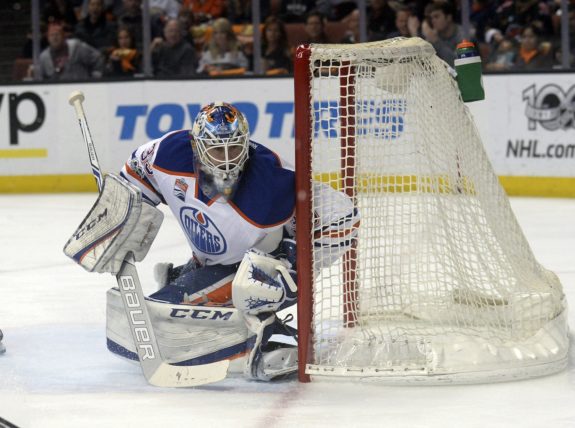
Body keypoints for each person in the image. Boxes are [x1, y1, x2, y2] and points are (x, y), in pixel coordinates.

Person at [101, 101, 358, 381]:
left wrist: (294, 270)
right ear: (196, 146)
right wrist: (120, 216)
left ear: (246, 145)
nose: (226, 159)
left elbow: (345, 215)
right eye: (215, 148)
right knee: (156, 315)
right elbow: (136, 175)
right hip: (211, 262)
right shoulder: (168, 153)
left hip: (257, 275)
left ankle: (256, 329)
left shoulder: (271, 180)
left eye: (234, 148)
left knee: (162, 314)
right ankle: (221, 319)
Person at [37, 23, 105, 81]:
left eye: (57, 34)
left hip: (81, 89)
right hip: (59, 92)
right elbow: (41, 78)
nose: (55, 38)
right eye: (52, 35)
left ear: (64, 36)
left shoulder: (77, 47)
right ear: (48, 38)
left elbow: (97, 57)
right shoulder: (44, 57)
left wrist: (95, 79)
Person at [421, 2, 465, 67]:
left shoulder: (463, 34)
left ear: (448, 17)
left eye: (436, 17)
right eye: (431, 18)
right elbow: (423, 63)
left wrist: (436, 41)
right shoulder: (433, 35)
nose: (433, 21)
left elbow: (457, 63)